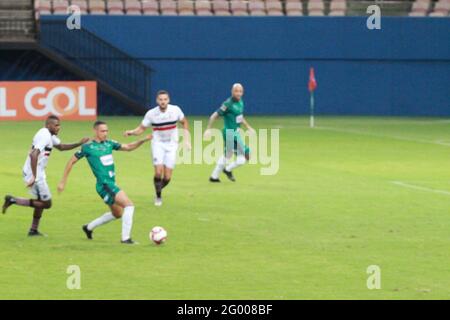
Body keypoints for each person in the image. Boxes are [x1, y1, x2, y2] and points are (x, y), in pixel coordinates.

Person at [57, 120, 152, 244]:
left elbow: (128, 147)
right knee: (129, 205)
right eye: (102, 131)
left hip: (110, 184)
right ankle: (125, 239)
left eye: (107, 131)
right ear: (95, 131)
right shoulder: (88, 147)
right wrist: (63, 181)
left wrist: (143, 140)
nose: (105, 133)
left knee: (117, 214)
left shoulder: (110, 143)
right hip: (105, 185)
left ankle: (88, 227)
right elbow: (71, 161)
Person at [2, 115, 89, 236]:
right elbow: (34, 154)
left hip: (36, 172)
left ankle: (33, 230)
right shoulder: (44, 136)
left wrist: (79, 143)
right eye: (56, 125)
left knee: (40, 201)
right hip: (36, 174)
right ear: (49, 125)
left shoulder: (49, 135)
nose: (59, 127)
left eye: (59, 125)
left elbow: (62, 147)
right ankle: (13, 200)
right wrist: (34, 176)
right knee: (47, 203)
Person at [124, 90, 190, 206]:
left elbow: (184, 122)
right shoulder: (151, 114)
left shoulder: (175, 110)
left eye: (165, 99)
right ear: (157, 101)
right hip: (158, 144)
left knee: (167, 177)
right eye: (160, 99)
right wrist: (131, 132)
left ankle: (158, 190)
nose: (163, 102)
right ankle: (158, 196)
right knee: (158, 173)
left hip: (172, 145)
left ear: (168, 100)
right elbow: (141, 129)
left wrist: (186, 140)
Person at [204, 83, 255, 182]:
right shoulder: (228, 104)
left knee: (234, 156)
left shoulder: (241, 102)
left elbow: (240, 117)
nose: (238, 93)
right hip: (229, 133)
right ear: (232, 91)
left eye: (240, 91)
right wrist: (208, 128)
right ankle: (225, 170)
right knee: (246, 155)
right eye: (236, 91)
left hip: (235, 133)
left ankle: (216, 175)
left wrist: (248, 127)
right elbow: (214, 115)